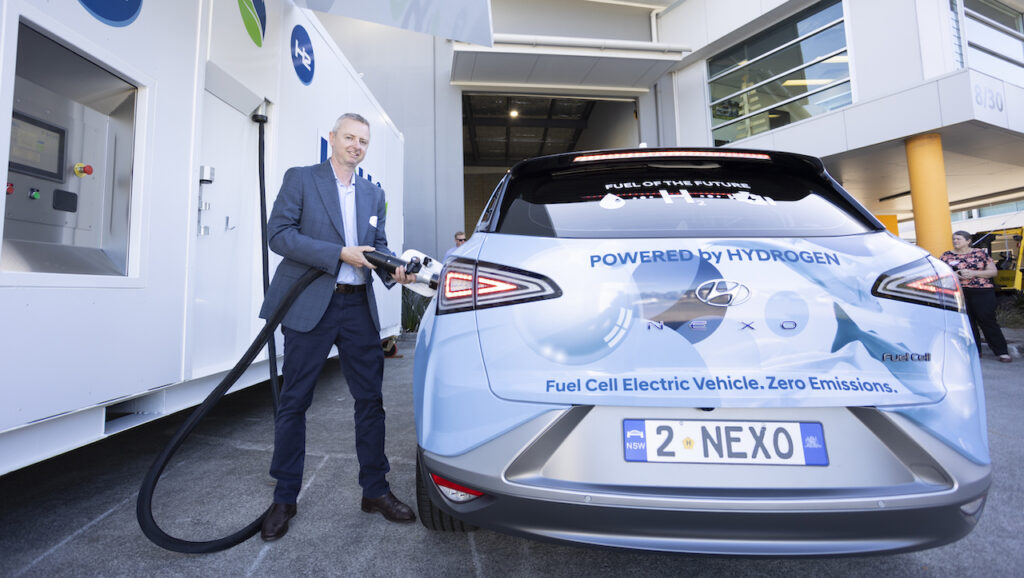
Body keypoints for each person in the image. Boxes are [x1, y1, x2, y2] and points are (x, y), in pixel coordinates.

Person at [257, 113, 418, 542]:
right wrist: (338, 254)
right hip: (311, 305)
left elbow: (377, 248)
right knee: (294, 401)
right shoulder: (302, 179)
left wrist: (394, 271)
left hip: (356, 309)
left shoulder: (373, 193)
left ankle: (375, 490)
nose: (356, 145)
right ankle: (285, 497)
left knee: (370, 400)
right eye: (349, 137)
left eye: (363, 140)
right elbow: (279, 235)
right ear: (332, 139)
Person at [941, 230, 1012, 363]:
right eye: (954, 239)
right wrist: (954, 275)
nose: (955, 241)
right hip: (959, 292)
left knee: (987, 320)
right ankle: (975, 351)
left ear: (968, 241)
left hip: (982, 291)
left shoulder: (980, 253)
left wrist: (973, 273)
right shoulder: (947, 256)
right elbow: (940, 273)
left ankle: (1002, 352)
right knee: (967, 323)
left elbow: (993, 272)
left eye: (959, 239)